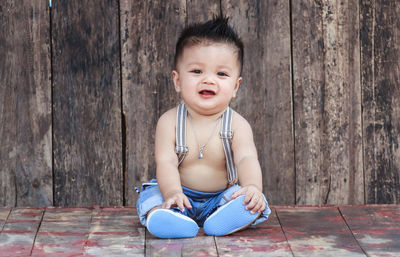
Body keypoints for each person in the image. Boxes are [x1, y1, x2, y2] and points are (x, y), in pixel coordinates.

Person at [136, 16, 271, 238]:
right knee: (151, 195)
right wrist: (173, 193)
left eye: (221, 74)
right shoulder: (169, 121)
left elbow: (246, 158)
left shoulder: (237, 124)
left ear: (235, 86)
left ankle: (226, 220)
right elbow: (166, 162)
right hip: (180, 197)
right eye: (197, 71)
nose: (208, 80)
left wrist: (253, 187)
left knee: (247, 198)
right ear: (177, 81)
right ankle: (167, 217)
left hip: (220, 198)